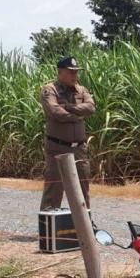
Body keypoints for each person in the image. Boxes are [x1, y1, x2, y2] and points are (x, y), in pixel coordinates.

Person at [40, 56, 97, 211]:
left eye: (76, 72)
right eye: (71, 72)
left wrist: (69, 107)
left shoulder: (81, 90)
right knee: (54, 190)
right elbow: (55, 112)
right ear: (60, 72)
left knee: (82, 189)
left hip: (79, 148)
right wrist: (77, 116)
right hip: (57, 147)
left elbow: (91, 107)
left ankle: (85, 222)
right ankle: (49, 224)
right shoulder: (50, 90)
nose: (74, 75)